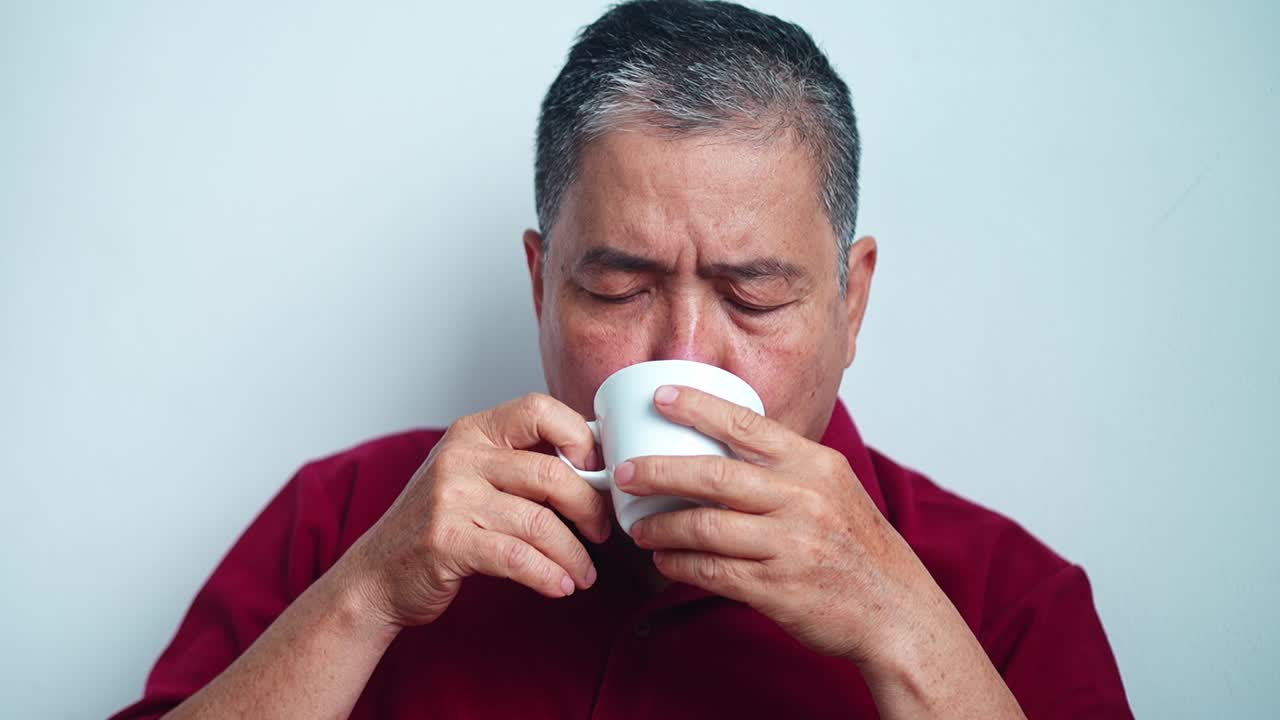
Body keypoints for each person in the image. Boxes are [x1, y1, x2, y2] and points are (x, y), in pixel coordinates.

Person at [111, 1, 1132, 718]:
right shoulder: (347, 523)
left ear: (850, 301)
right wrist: (366, 597)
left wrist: (901, 632)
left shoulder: (1009, 601)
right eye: (615, 288)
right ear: (538, 284)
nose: (683, 356)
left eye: (754, 294)